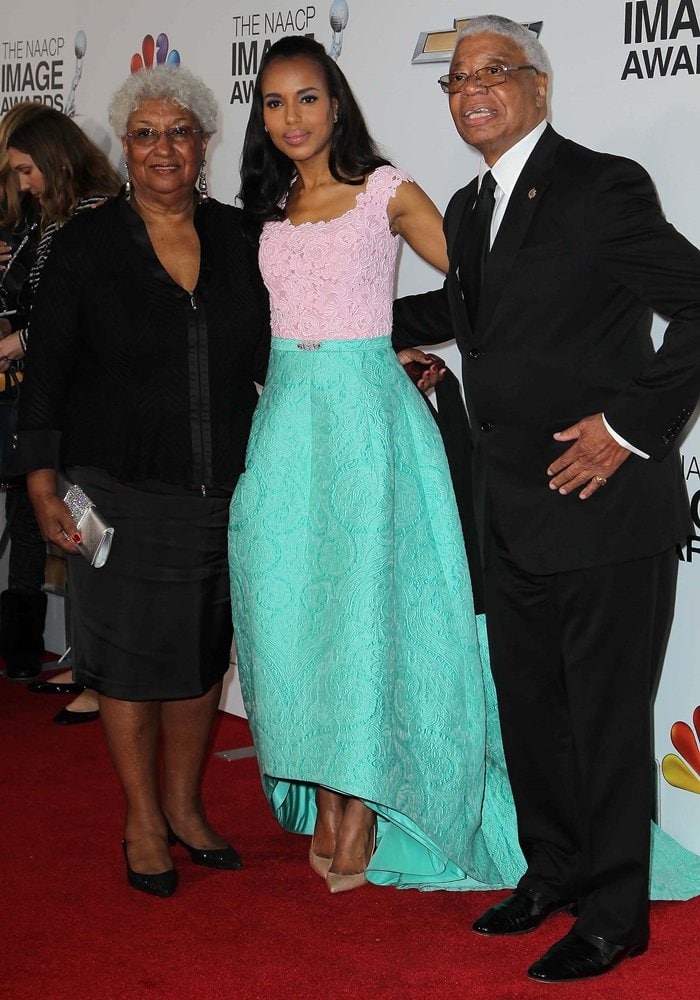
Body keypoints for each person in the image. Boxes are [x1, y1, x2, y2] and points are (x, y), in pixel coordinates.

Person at [393, 14, 700, 983]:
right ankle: (551, 874)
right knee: (529, 711)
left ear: (538, 83)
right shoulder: (467, 202)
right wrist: (354, 320)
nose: (469, 89)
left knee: (603, 719)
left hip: (603, 503)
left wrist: (629, 427)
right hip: (510, 506)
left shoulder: (599, 184)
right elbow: (467, 314)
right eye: (454, 79)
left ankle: (615, 914)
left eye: (493, 70)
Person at [228, 34, 525, 895]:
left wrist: (385, 343)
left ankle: (358, 808)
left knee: (362, 613)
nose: (292, 118)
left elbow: (476, 282)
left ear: (338, 103)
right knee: (295, 621)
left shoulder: (384, 190)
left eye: (308, 99)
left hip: (365, 429)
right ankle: (323, 793)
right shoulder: (269, 204)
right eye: (275, 103)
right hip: (285, 425)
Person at [15, 66, 269, 897]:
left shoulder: (241, 237)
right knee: (125, 661)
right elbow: (46, 372)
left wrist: (388, 360)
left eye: (179, 131)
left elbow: (291, 345)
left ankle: (187, 807)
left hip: (220, 488)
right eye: (145, 133)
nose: (164, 147)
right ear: (125, 149)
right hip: (114, 486)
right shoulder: (87, 245)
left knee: (199, 658)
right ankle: (142, 821)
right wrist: (42, 481)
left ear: (204, 144)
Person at [0, 106, 120, 719]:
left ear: (53, 158)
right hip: (57, 399)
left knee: (92, 530)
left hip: (90, 405)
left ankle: (103, 671)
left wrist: (19, 342)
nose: (23, 184)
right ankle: (86, 657)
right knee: (70, 528)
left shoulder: (99, 214)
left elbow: (71, 315)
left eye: (27, 170)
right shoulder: (53, 220)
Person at [0, 103, 45, 681]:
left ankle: (27, 652)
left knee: (39, 505)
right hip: (19, 384)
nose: (20, 181)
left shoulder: (57, 218)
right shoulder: (23, 214)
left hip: (33, 390)